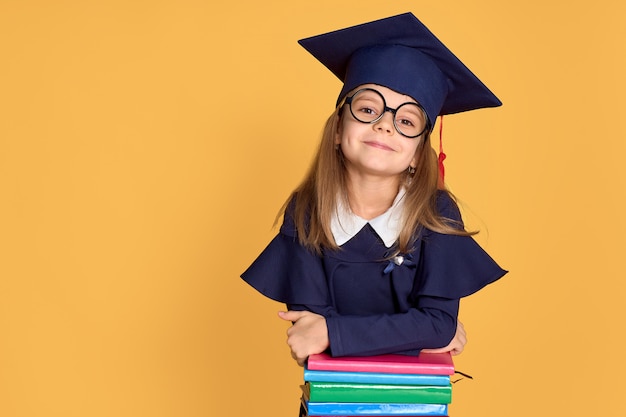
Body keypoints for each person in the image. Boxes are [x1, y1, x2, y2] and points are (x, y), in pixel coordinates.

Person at [241, 12, 506, 369]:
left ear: (417, 154)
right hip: (331, 399)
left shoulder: (435, 213)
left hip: (416, 402)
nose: (384, 125)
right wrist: (421, 334)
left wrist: (333, 332)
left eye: (407, 121)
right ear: (337, 130)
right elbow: (308, 340)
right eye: (367, 109)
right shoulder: (307, 210)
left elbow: (435, 324)